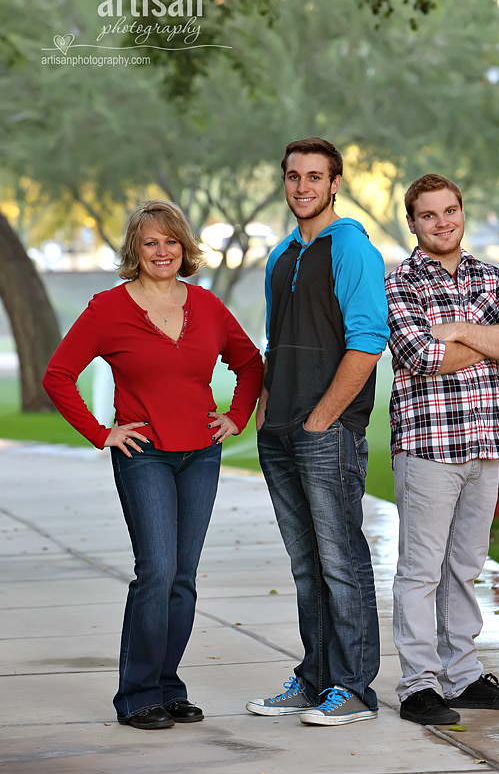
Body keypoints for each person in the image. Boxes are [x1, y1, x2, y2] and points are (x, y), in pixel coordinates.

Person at [43, 200, 263, 730]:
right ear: (135, 252)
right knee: (156, 571)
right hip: (144, 456)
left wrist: (235, 417)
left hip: (201, 456)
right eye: (150, 243)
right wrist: (102, 433)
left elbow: (250, 362)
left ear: (183, 247)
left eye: (170, 241)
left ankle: (168, 686)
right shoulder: (107, 309)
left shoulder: (207, 307)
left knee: (183, 578)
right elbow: (58, 375)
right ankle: (137, 694)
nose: (162, 251)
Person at [246, 137, 389, 726]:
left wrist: (323, 416)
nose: (302, 187)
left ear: (335, 184)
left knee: (340, 560)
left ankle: (354, 687)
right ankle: (316, 678)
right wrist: (264, 406)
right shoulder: (281, 254)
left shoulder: (352, 249)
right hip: (278, 432)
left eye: (314, 177)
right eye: (292, 176)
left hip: (326, 433)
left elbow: (368, 340)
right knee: (306, 566)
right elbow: (276, 339)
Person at [385, 174, 499, 726]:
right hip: (428, 446)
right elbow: (424, 356)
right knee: (421, 571)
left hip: (485, 442)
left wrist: (458, 328)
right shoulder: (398, 283)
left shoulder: (488, 275)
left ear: (462, 213)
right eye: (429, 215)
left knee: (466, 564)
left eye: (450, 211)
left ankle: (464, 675)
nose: (442, 222)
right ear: (413, 223)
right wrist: (481, 338)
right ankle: (418, 685)